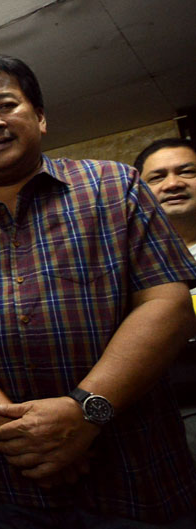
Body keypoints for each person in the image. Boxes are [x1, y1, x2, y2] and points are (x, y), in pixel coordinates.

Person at [0, 53, 196, 528]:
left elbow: (170, 304)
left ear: (40, 116)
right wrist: (18, 431)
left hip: (135, 475)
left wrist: (85, 413)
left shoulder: (117, 187)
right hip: (5, 481)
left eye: (7, 105)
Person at [135, 138, 196, 462]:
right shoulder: (125, 267)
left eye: (187, 172)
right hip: (152, 423)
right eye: (157, 177)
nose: (173, 184)